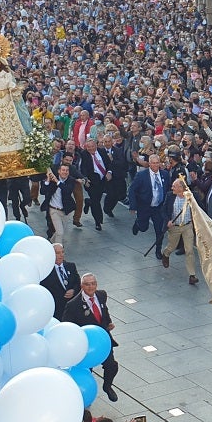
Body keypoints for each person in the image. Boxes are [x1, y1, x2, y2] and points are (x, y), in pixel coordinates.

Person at [62, 272, 120, 402]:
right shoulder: (73, 305)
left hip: (103, 341)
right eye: (87, 284)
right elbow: (66, 325)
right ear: (82, 286)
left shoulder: (101, 295)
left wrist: (108, 322)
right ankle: (84, 395)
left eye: (93, 284)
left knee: (112, 366)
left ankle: (107, 386)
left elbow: (104, 311)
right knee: (87, 370)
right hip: (86, 345)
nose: (91, 287)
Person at [130, 154, 173, 259]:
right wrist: (133, 206)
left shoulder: (165, 174)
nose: (155, 165)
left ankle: (158, 250)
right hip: (145, 206)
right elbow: (132, 190)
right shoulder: (141, 175)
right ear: (149, 164)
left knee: (160, 230)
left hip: (159, 207)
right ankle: (138, 224)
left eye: (157, 163)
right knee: (143, 227)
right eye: (153, 163)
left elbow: (168, 190)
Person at [160, 178, 200, 286]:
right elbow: (163, 210)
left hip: (187, 226)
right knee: (172, 246)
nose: (172, 188)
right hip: (174, 227)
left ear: (181, 188)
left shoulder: (191, 196)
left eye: (174, 186)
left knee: (189, 250)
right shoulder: (170, 196)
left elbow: (199, 209)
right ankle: (166, 254)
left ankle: (192, 275)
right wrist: (168, 220)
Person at [40, 241, 81, 324]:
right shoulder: (46, 272)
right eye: (58, 253)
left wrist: (74, 290)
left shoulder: (71, 266)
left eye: (62, 252)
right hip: (57, 310)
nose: (61, 255)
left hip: (73, 308)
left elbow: (78, 282)